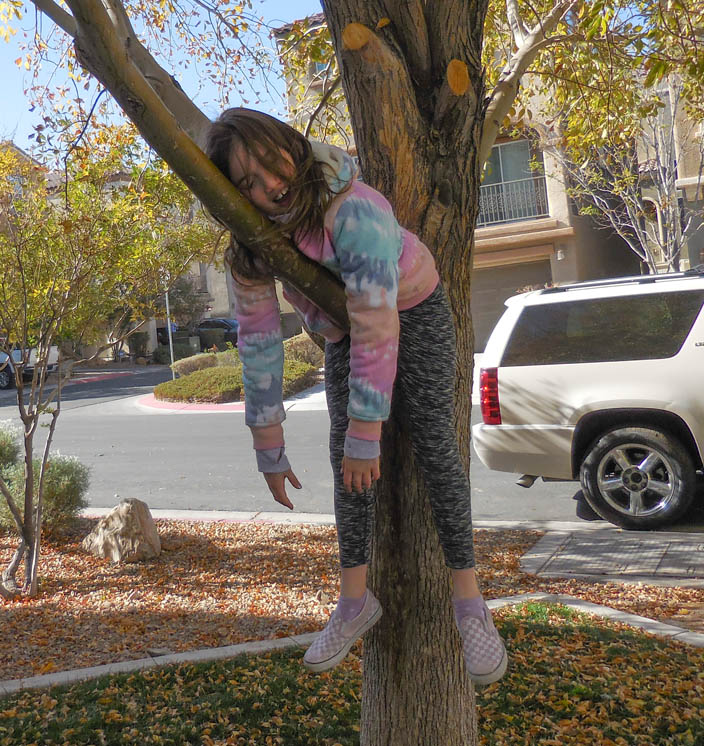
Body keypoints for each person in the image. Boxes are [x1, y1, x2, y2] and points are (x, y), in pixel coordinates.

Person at [204, 108, 507, 685]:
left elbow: (377, 315)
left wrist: (371, 430)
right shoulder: (251, 247)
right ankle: (353, 600)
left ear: (289, 146)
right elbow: (260, 343)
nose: (270, 186)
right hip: (344, 331)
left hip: (412, 311)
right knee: (346, 460)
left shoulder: (354, 207)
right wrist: (268, 442)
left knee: (432, 441)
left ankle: (470, 603)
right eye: (247, 183)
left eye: (271, 164)